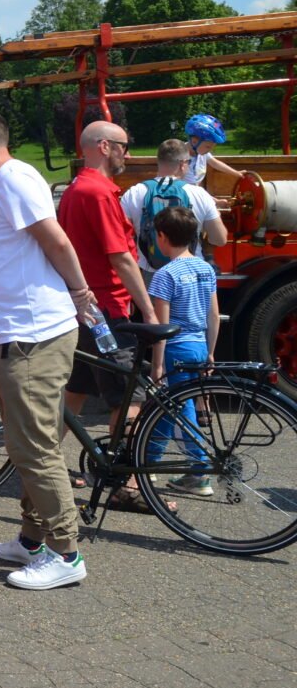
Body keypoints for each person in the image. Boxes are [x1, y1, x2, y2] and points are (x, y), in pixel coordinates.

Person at [0, 111, 98, 590]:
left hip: (31, 337)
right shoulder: (6, 182)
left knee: (34, 448)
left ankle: (66, 553)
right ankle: (33, 540)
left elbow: (56, 241)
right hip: (18, 337)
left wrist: (80, 293)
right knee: (30, 444)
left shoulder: (14, 178)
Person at [58, 120, 162, 513]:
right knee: (128, 397)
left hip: (83, 308)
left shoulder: (75, 190)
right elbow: (121, 258)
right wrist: (148, 310)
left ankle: (44, 466)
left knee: (75, 392)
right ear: (104, 146)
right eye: (124, 146)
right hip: (108, 309)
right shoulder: (98, 192)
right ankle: (128, 484)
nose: (128, 154)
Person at [142, 206, 220, 494]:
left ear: (162, 237)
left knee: (180, 407)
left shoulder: (165, 275)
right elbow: (214, 315)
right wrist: (210, 352)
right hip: (199, 345)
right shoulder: (205, 269)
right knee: (168, 407)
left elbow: (162, 327)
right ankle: (147, 462)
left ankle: (200, 470)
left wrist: (157, 365)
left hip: (175, 348)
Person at [120, 139, 228, 276]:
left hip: (151, 273)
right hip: (190, 272)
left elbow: (121, 236)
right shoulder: (199, 194)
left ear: (159, 161)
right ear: (183, 164)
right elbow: (219, 239)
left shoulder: (134, 193)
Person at [183, 114, 243, 187]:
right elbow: (191, 187)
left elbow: (215, 163)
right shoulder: (182, 159)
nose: (210, 150)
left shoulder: (201, 151)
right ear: (194, 141)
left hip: (195, 190)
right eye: (208, 147)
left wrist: (236, 173)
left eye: (212, 147)